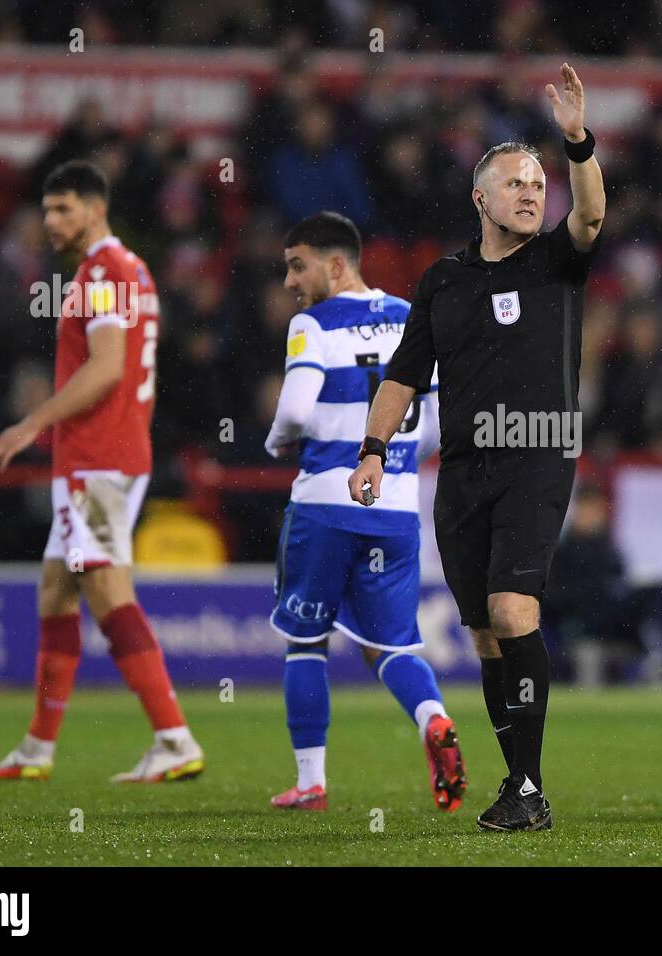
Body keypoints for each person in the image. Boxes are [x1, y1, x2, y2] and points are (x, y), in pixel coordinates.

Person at [348, 64, 606, 832]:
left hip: (537, 453)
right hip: (461, 470)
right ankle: (517, 781)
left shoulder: (559, 259)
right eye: (516, 184)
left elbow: (590, 215)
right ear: (480, 200)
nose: (533, 193)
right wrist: (371, 449)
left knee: (512, 605)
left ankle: (527, 787)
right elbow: (405, 372)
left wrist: (577, 142)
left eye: (538, 183)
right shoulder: (443, 281)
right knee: (486, 633)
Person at [0, 160, 204, 783]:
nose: (51, 221)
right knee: (57, 587)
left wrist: (29, 425)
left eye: (63, 209)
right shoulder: (126, 271)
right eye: (47, 210)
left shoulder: (105, 272)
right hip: (106, 453)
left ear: (96, 208)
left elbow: (108, 367)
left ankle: (173, 736)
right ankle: (39, 745)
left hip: (98, 458)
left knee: (105, 588)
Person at [264, 212, 465, 812]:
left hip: (325, 502)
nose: (290, 282)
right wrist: (394, 458)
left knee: (306, 640)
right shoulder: (411, 316)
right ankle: (433, 718)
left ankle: (311, 782)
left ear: (336, 264)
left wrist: (277, 442)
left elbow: (297, 411)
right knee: (394, 646)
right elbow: (432, 426)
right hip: (397, 506)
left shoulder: (313, 324)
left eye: (297, 266)